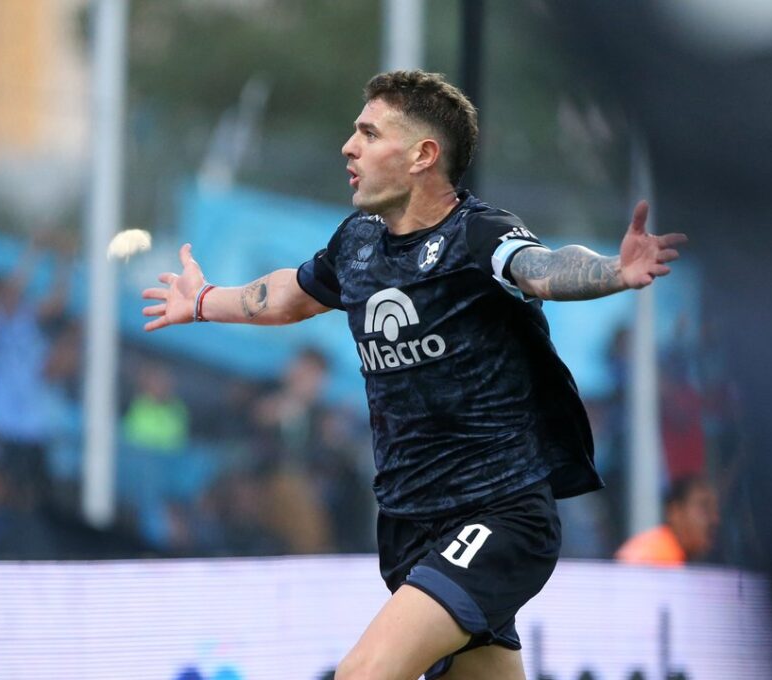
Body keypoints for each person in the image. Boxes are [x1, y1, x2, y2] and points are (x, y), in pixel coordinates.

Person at [142, 70, 686, 680]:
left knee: (362, 674)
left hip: (499, 515)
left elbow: (543, 268)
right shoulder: (356, 243)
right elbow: (289, 297)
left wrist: (614, 270)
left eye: (369, 134)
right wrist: (204, 299)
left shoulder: (477, 234)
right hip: (408, 523)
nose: (349, 147)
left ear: (423, 155)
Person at [614, 475, 719, 567]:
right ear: (675, 512)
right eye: (704, 507)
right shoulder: (657, 557)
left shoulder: (668, 553)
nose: (714, 519)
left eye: (714, 509)